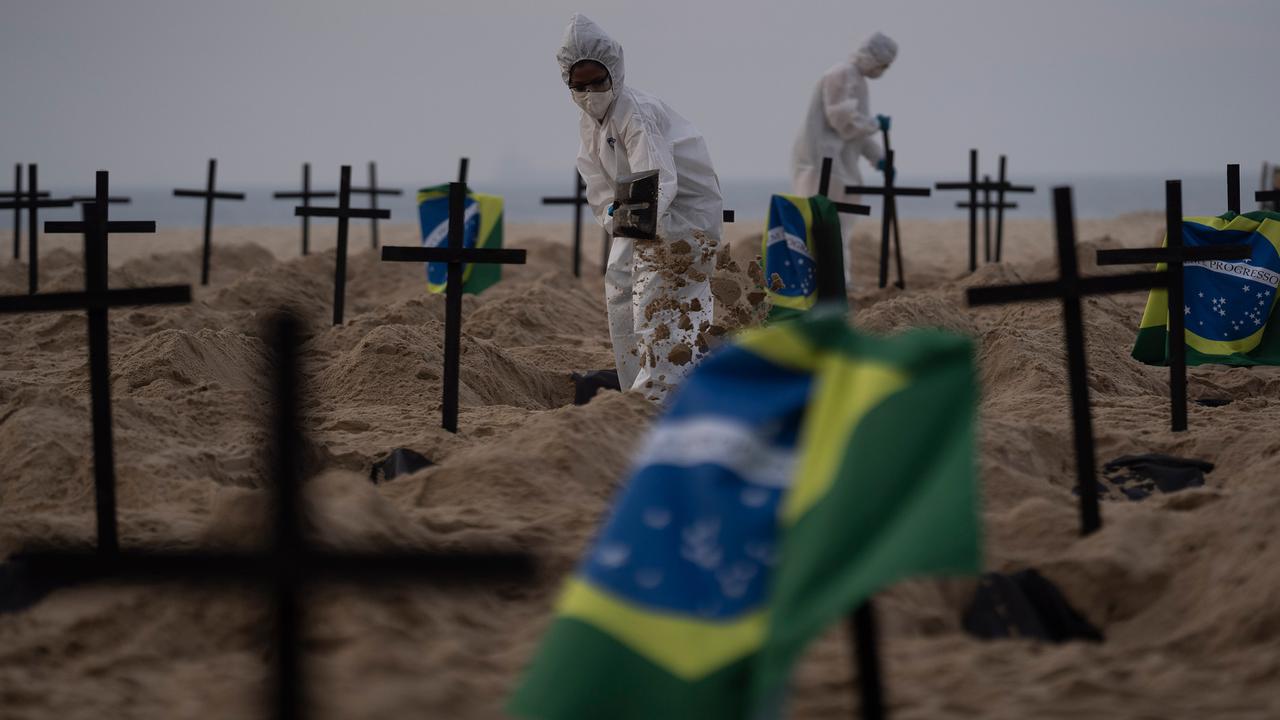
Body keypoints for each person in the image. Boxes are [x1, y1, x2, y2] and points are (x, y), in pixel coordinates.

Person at [556, 13, 723, 401]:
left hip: (682, 219)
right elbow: (598, 187)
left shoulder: (636, 112)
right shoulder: (590, 124)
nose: (590, 93)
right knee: (621, 290)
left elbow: (657, 180)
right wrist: (614, 218)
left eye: (597, 82)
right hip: (639, 218)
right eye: (579, 86)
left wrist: (633, 223)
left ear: (614, 72)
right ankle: (638, 390)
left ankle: (661, 397)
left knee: (659, 304)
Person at [791, 32, 898, 283]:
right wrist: (874, 125)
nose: (882, 71)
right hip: (820, 164)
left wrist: (878, 158)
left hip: (840, 164)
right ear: (873, 57)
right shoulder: (840, 74)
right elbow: (842, 120)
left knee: (840, 226)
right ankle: (819, 283)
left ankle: (838, 283)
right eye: (883, 65)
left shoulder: (858, 81)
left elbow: (855, 135)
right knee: (821, 224)